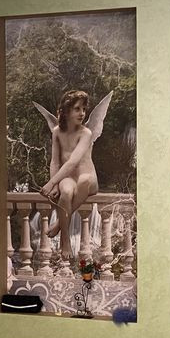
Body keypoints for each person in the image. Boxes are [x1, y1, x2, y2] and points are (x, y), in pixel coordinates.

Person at [39, 90, 99, 259]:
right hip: (69, 178)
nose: (82, 113)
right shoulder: (57, 132)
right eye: (77, 109)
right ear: (66, 111)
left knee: (84, 180)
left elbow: (72, 161)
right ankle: (65, 241)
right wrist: (55, 186)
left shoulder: (86, 133)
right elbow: (55, 162)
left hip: (88, 177)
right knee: (65, 191)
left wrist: (51, 183)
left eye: (84, 109)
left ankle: (59, 223)